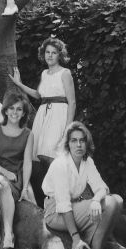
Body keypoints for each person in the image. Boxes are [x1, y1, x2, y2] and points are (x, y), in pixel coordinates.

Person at [9, 37, 76, 205]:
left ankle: (61, 197)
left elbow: (72, 102)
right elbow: (39, 95)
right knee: (37, 155)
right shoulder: (44, 73)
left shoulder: (65, 73)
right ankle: (43, 197)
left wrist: (68, 128)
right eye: (47, 52)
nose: (50, 56)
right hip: (43, 115)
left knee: (53, 154)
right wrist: (19, 83)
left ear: (60, 55)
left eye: (54, 53)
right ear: (43, 54)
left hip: (59, 115)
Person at [42, 121, 123, 249]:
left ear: (87, 143)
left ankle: (95, 242)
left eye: (82, 140)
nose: (78, 145)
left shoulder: (88, 161)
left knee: (118, 200)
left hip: (74, 207)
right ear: (68, 144)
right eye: (74, 140)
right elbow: (64, 205)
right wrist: (75, 238)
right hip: (55, 212)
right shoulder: (60, 164)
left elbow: (102, 188)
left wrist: (96, 200)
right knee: (110, 202)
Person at [0, 92, 34, 249]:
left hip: (18, 175)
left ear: (24, 113)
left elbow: (28, 162)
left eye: (19, 109)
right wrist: (5, 173)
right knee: (2, 186)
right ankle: (8, 235)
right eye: (11, 108)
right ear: (5, 110)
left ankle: (8, 245)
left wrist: (26, 186)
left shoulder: (28, 134)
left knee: (30, 202)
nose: (15, 112)